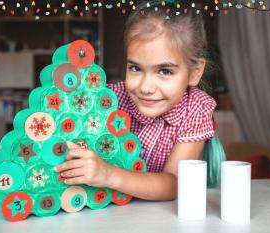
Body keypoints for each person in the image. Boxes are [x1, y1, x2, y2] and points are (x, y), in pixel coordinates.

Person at [55, 0, 225, 201]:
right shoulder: (109, 100)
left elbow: (174, 183)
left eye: (164, 71)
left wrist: (108, 175)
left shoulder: (195, 109)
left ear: (195, 72)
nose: (145, 87)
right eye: (135, 68)